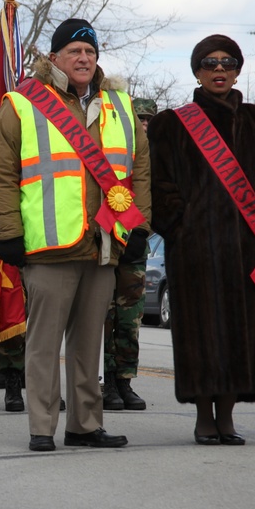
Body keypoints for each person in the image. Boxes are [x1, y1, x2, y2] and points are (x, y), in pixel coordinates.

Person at [0, 19, 150, 451]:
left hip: (104, 246)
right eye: (74, 51)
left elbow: (140, 174)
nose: (83, 58)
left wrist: (139, 227)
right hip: (48, 247)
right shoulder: (22, 103)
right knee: (43, 345)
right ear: (54, 57)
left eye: (90, 52)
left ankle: (84, 425)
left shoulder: (121, 105)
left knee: (89, 344)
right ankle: (42, 427)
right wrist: (8, 233)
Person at [148, 34, 255, 445]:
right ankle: (203, 417)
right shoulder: (170, 124)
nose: (219, 69)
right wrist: (183, 229)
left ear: (237, 69)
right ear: (197, 70)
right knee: (201, 335)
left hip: (253, 251)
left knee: (243, 332)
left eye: (227, 62)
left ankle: (227, 416)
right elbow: (157, 188)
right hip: (196, 253)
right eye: (210, 62)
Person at [100, 96, 158, 412]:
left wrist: (143, 230)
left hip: (135, 244)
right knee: (106, 315)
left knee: (129, 318)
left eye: (149, 119)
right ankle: (107, 382)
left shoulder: (151, 157)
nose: (144, 124)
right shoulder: (113, 154)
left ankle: (125, 381)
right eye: (140, 118)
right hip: (107, 239)